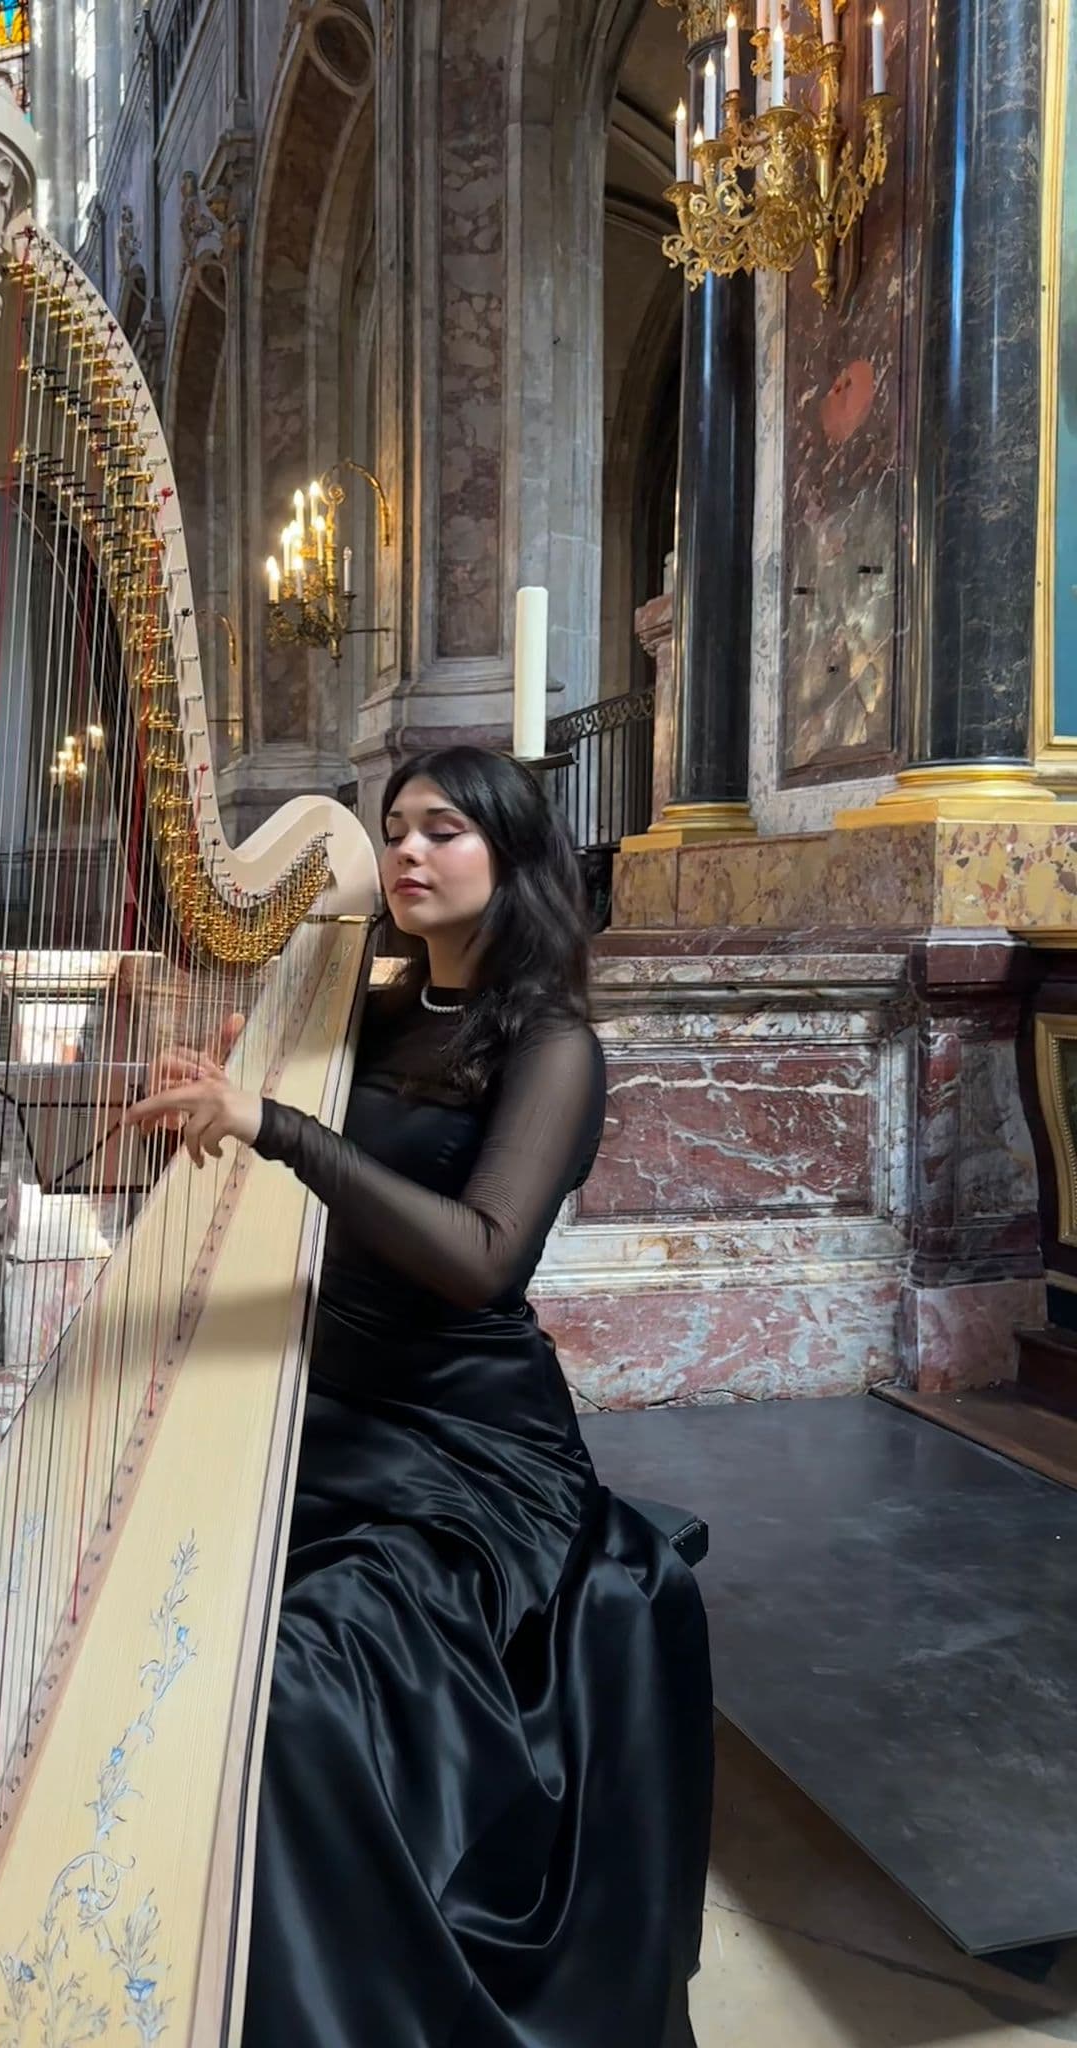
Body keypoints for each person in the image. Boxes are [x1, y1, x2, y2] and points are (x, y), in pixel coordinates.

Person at [127, 745, 713, 2048]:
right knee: (172, 1639)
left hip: (468, 1455)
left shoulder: (555, 1048)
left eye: (443, 830)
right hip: (329, 1419)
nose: (406, 853)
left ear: (509, 857)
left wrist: (282, 1129)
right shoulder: (366, 1018)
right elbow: (320, 1205)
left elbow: (480, 1258)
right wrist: (229, 1111)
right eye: (394, 829)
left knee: (289, 1689)